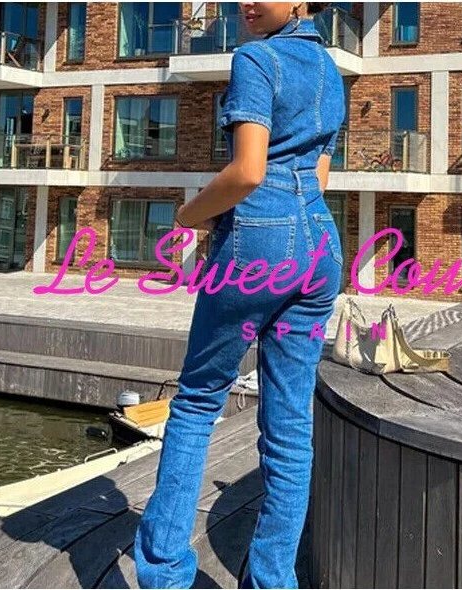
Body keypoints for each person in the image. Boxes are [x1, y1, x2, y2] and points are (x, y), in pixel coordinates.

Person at [134, 2, 346, 588]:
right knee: (290, 424)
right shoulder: (330, 71)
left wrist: (188, 215)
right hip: (320, 243)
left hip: (259, 237)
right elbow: (319, 175)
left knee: (197, 401)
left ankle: (164, 574)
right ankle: (273, 579)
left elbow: (248, 171)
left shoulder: (256, 58)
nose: (245, 2)